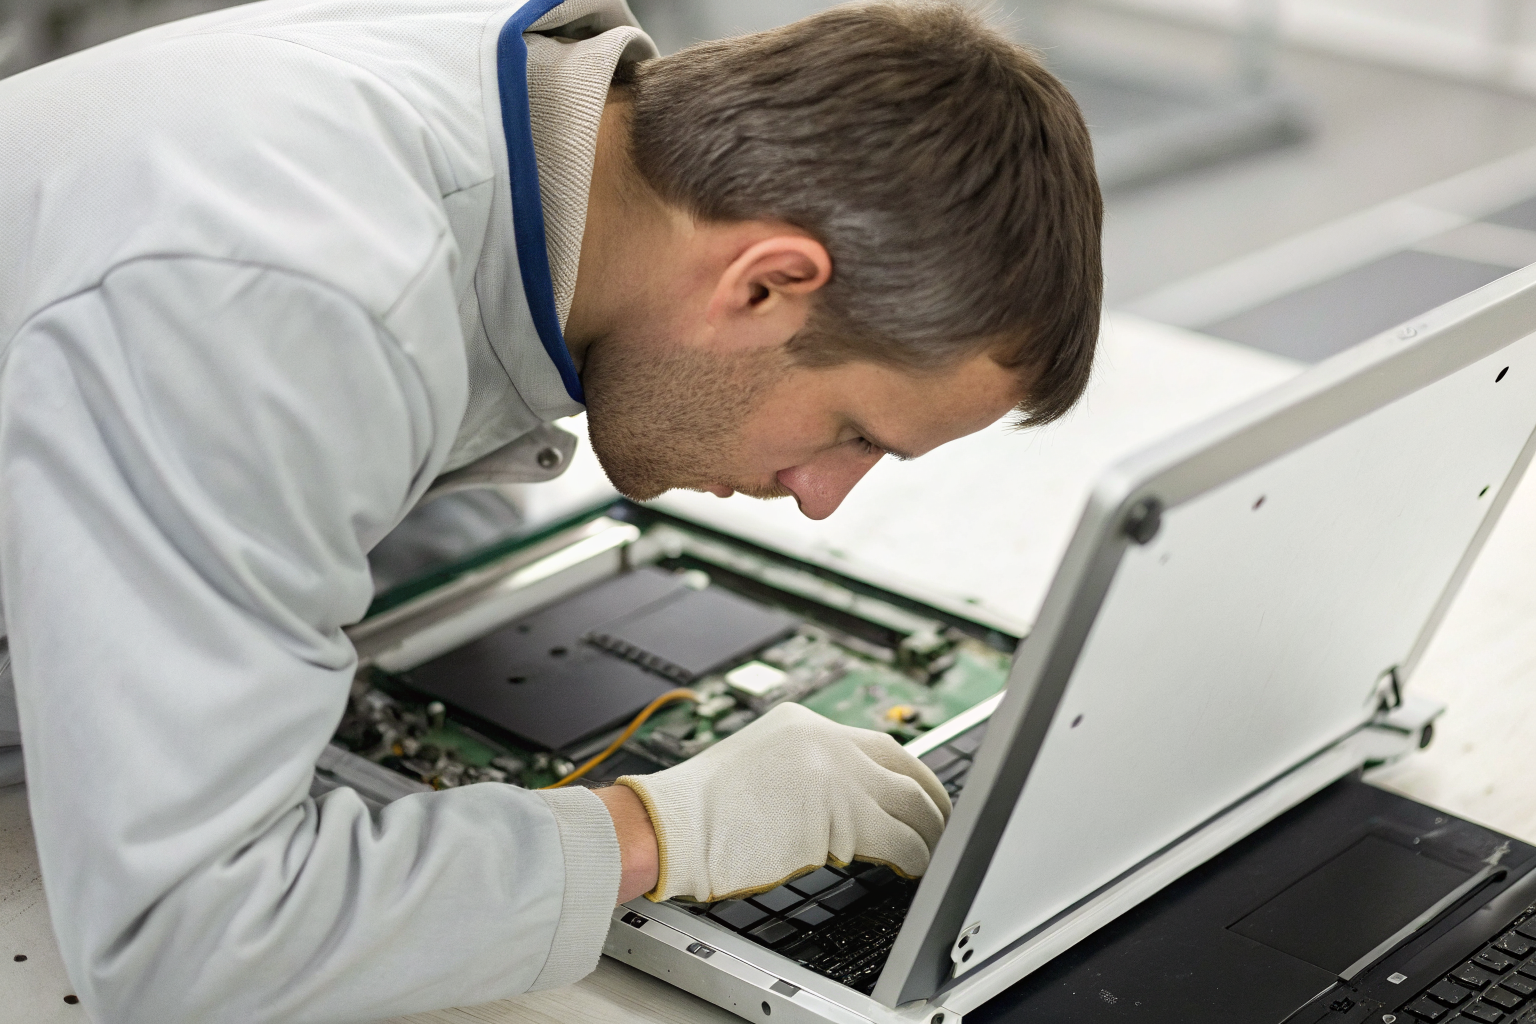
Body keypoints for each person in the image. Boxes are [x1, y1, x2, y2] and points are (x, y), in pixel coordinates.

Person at [0, 0, 1102, 1018]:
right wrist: (656, 831)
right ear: (762, 284)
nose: (821, 500)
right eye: (853, 431)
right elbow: (189, 943)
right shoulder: (289, 300)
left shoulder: (536, 125)